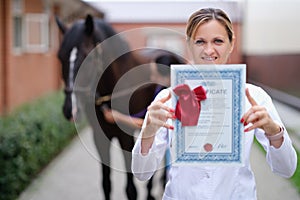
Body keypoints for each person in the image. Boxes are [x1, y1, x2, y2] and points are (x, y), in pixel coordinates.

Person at [131, 8, 297, 200]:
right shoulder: (167, 99)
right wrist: (148, 132)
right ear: (189, 44)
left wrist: (273, 131)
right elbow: (141, 173)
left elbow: (287, 169)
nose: (209, 50)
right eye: (200, 41)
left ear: (231, 43)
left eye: (218, 41)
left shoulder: (254, 97)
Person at [102, 53, 184, 200]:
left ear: (168, 75)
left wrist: (118, 117)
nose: (152, 79)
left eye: (154, 75)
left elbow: (147, 123)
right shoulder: (161, 91)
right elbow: (145, 118)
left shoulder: (172, 97)